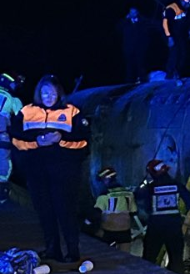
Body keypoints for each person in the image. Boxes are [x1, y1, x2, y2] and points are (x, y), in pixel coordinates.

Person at [10, 75, 89, 262]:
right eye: (45, 92)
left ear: (58, 93)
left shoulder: (72, 112)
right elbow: (16, 139)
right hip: (36, 170)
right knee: (44, 211)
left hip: (64, 172)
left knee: (65, 210)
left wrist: (61, 139)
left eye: (52, 92)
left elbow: (84, 141)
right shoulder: (27, 111)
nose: (48, 96)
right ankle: (52, 249)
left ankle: (72, 250)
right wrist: (38, 142)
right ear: (39, 93)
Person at [134, 159, 190, 273]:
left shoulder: (150, 187)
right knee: (176, 258)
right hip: (174, 226)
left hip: (155, 226)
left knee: (149, 256)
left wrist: (142, 185)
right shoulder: (177, 185)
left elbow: (137, 197)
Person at [89, 167, 138, 251]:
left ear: (105, 180)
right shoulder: (129, 194)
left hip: (108, 232)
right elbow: (134, 212)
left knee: (104, 255)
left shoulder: (104, 196)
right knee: (125, 257)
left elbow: (95, 214)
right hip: (125, 231)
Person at [161, 0, 190, 79]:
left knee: (182, 53)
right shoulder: (171, 8)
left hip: (179, 34)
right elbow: (165, 23)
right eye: (188, 2)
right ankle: (170, 75)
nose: (189, 5)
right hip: (170, 35)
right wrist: (169, 37)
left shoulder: (185, 8)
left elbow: (186, 21)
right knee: (174, 53)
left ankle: (178, 73)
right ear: (182, 0)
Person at [0, 72, 23, 204]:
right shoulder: (13, 98)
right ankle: (1, 194)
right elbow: (21, 115)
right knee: (3, 166)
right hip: (2, 137)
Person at [119, 8, 150, 83]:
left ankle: (142, 79)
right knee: (129, 64)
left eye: (135, 12)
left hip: (139, 47)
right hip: (129, 47)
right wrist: (125, 19)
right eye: (131, 12)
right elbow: (119, 28)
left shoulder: (142, 22)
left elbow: (147, 31)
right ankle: (130, 80)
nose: (133, 14)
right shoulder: (126, 23)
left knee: (140, 63)